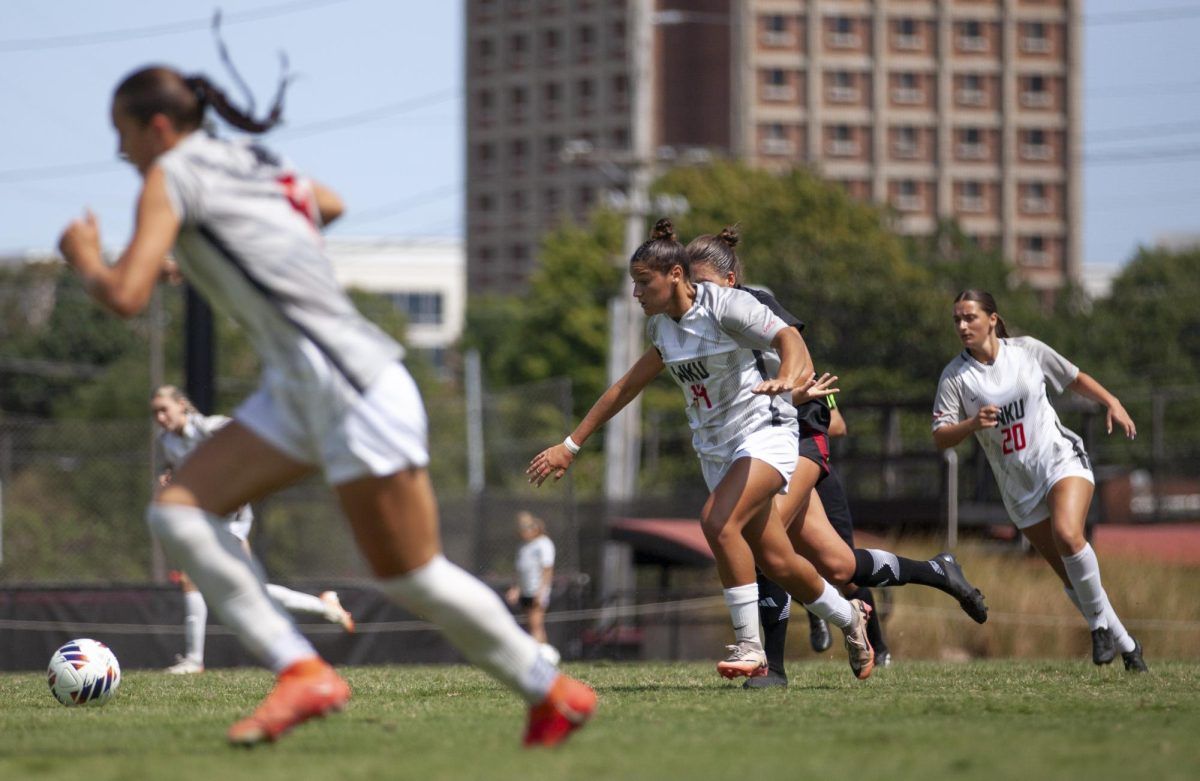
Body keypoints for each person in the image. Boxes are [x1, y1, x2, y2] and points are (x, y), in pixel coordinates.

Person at [58, 64, 595, 747]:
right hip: (306, 386)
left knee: (411, 574)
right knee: (179, 511)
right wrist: (209, 253)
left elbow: (124, 294)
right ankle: (302, 668)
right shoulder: (249, 156)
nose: (123, 152)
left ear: (158, 127)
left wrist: (83, 258)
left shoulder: (170, 175)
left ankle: (549, 688)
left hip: (347, 382)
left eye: (124, 135)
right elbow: (327, 202)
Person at [528, 219, 876, 682]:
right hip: (716, 452)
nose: (636, 294)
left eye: (642, 282)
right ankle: (851, 618)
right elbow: (624, 387)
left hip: (765, 430)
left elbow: (789, 339)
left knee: (717, 520)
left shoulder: (728, 305)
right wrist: (571, 445)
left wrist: (788, 378)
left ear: (675, 275)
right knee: (778, 561)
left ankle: (752, 648)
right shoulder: (661, 330)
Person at [685, 227, 988, 688]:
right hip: (763, 442)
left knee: (759, 538)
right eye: (689, 283)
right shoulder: (695, 319)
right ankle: (936, 571)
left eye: (701, 281)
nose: (695, 292)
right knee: (841, 566)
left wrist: (798, 388)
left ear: (728, 280)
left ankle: (774, 667)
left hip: (801, 436)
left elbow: (802, 362)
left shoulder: (752, 302)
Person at [932, 289, 1147, 672]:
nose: (963, 326)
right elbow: (940, 435)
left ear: (992, 319)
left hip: (1059, 460)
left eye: (970, 318)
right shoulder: (955, 377)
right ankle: (1130, 647)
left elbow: (1074, 377)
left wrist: (1110, 401)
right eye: (957, 320)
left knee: (1069, 534)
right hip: (1017, 485)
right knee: (1071, 574)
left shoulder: (1027, 350)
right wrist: (971, 424)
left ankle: (1098, 626)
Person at [151, 384, 355, 675]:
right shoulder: (166, 440)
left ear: (182, 405)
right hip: (206, 515)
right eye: (155, 412)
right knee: (249, 590)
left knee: (197, 580)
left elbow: (245, 436)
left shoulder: (210, 427)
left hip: (231, 515)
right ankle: (325, 606)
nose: (160, 417)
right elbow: (175, 468)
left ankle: (195, 661)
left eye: (164, 409)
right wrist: (169, 479)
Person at [505, 511, 557, 653]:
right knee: (532, 624)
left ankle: (540, 658)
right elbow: (519, 570)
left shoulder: (543, 543)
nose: (522, 532)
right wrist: (516, 589)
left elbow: (547, 569)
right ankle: (542, 656)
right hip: (526, 590)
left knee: (536, 625)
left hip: (537, 590)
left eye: (525, 529)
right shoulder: (523, 546)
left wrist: (541, 591)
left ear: (535, 528)